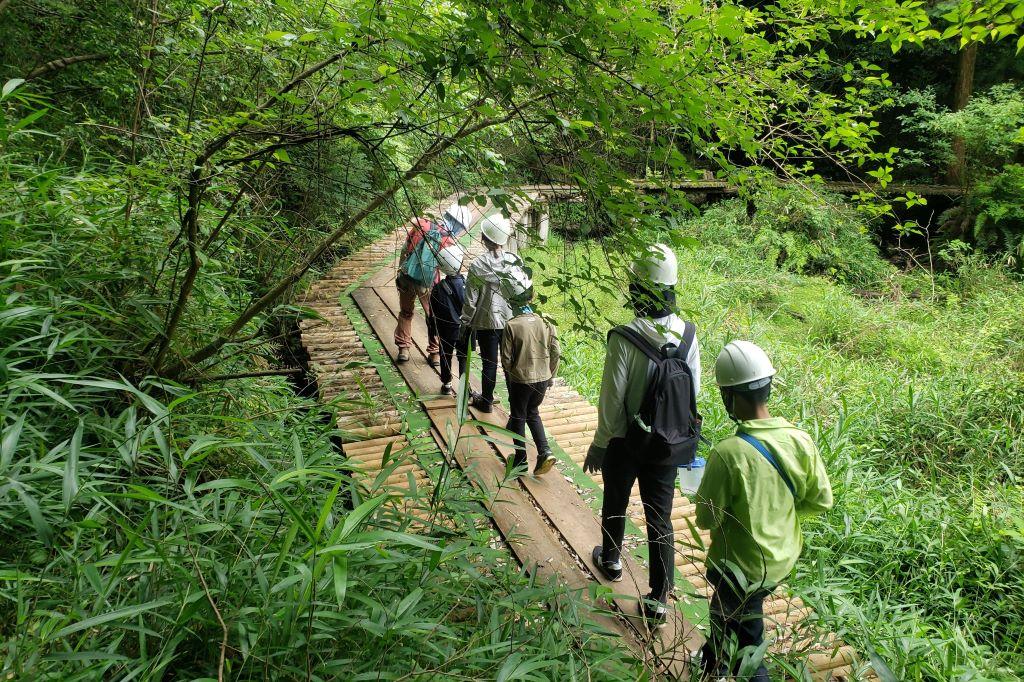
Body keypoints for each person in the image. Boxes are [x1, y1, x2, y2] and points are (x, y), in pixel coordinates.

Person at [696, 341, 833, 680]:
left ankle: (731, 666)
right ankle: (713, 660)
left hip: (740, 568)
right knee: (725, 611)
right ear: (767, 387)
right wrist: (777, 512)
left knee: (749, 641)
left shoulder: (729, 453)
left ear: (729, 397)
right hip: (781, 560)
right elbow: (820, 500)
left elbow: (705, 518)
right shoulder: (800, 440)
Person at [584, 243, 702, 627]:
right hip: (668, 444)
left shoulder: (624, 336)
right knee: (660, 518)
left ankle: (612, 559)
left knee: (615, 499)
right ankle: (659, 598)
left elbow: (611, 398)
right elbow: (692, 392)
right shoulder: (688, 335)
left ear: (637, 289)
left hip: (626, 441)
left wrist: (601, 444)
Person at [499, 266, 560, 476]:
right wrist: (550, 374)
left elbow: (506, 360)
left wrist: (512, 373)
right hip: (542, 379)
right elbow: (556, 351)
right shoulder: (547, 320)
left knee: (518, 416)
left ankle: (521, 460)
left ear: (510, 301)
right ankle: (545, 451)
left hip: (520, 381)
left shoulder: (512, 325)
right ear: (532, 295)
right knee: (533, 412)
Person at [459, 213, 522, 413]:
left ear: (485, 239)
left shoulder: (478, 266)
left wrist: (465, 323)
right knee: (510, 364)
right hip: (511, 320)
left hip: (487, 321)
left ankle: (486, 401)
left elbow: (471, 299)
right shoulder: (514, 261)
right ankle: (516, 407)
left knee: (489, 363)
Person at [394, 217, 450, 365]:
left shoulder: (420, 225)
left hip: (408, 275)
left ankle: (403, 349)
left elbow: (405, 248)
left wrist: (400, 272)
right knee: (432, 316)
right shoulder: (447, 238)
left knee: (406, 312)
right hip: (427, 282)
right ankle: (435, 353)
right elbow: (447, 266)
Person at [431, 244, 467, 396]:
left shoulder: (438, 288)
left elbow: (432, 313)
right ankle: (465, 387)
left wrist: (433, 331)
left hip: (446, 330)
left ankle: (446, 383)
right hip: (464, 329)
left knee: (445, 355)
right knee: (463, 357)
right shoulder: (467, 285)